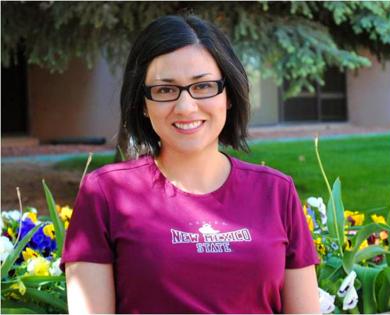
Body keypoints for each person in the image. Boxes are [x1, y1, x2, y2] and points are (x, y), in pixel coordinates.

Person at [60, 14, 320, 314]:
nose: (185, 107)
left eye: (203, 86)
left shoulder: (276, 192)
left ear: (229, 95)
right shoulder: (105, 194)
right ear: (142, 104)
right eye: (165, 90)